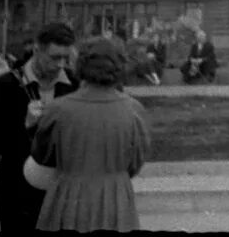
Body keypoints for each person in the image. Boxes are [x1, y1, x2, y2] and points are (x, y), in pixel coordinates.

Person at [29, 36, 152, 232]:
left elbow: (43, 158)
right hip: (116, 198)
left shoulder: (58, 109)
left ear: (80, 65)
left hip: (69, 197)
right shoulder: (133, 110)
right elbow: (135, 162)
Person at [0, 22, 78, 234]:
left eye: (65, 58)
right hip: (17, 196)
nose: (61, 64)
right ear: (36, 50)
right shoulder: (6, 85)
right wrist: (25, 126)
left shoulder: (74, 85)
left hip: (61, 196)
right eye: (54, 57)